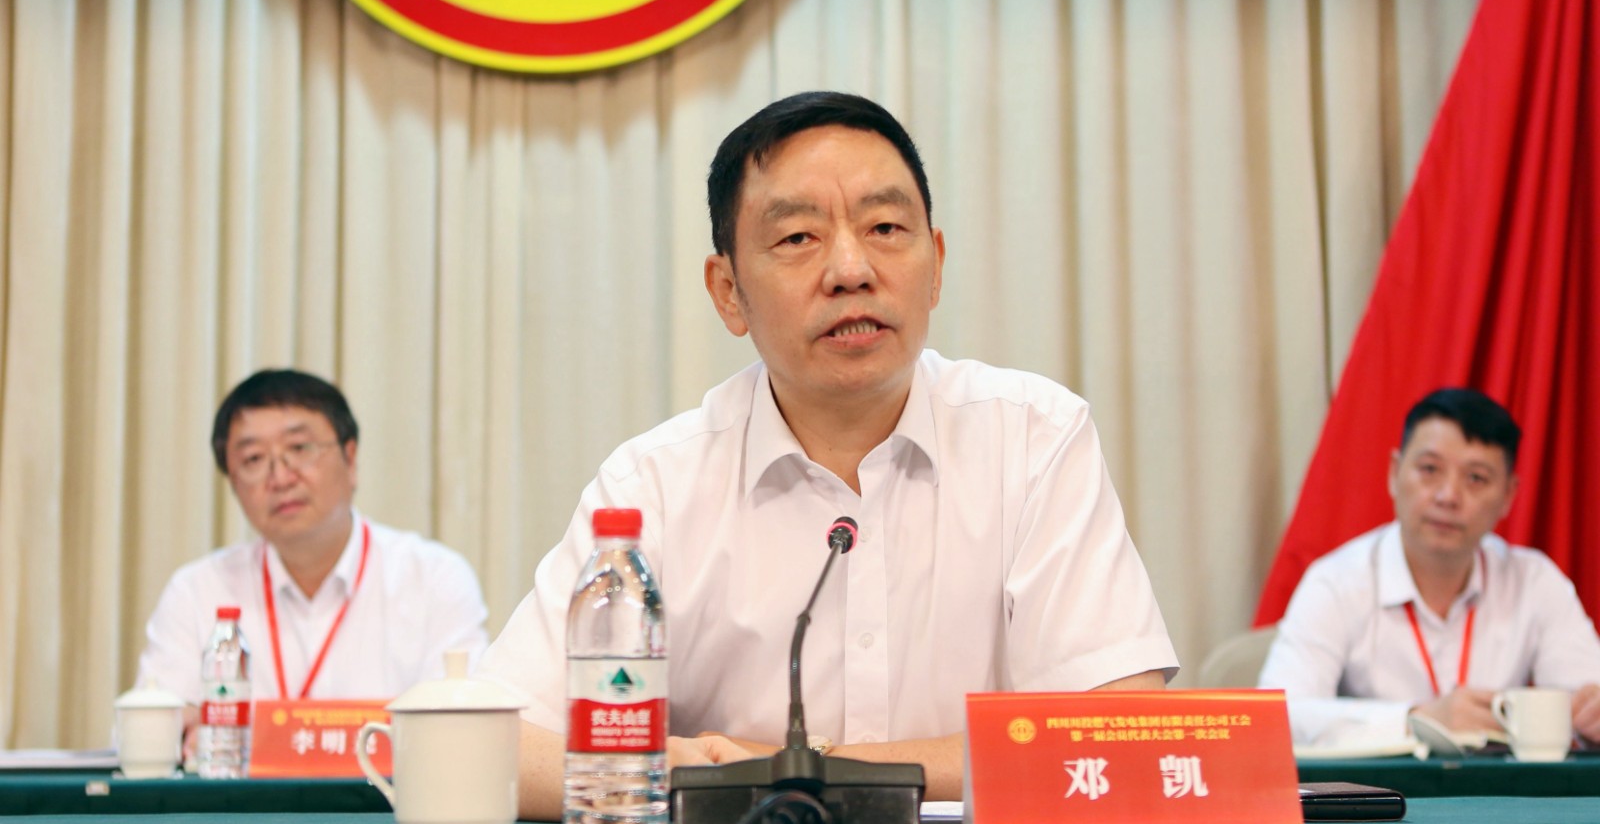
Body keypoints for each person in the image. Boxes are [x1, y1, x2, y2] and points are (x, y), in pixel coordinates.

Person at [478, 91, 1176, 816]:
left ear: (936, 264)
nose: (851, 268)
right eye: (798, 238)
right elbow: (496, 743)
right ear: (728, 292)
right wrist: (672, 769)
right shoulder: (654, 485)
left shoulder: (1033, 438)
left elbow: (1118, 732)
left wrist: (788, 773)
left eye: (885, 228)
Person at [137, 369, 490, 736]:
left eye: (299, 449)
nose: (280, 478)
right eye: (254, 459)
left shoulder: (433, 579)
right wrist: (176, 731)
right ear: (233, 484)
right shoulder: (197, 591)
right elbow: (148, 733)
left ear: (350, 459)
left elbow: (463, 727)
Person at [1258, 387, 1600, 748]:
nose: (1448, 496)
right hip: (1378, 783)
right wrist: (1416, 720)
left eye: (1476, 478)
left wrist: (1591, 714)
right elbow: (1279, 716)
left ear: (1508, 497)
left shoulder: (1534, 581)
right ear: (1394, 473)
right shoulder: (1336, 582)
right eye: (1430, 470)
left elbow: (1587, 691)